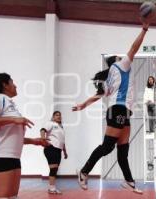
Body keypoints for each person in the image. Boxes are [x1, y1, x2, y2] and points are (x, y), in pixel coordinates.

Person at [72, 19, 150, 194]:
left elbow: (99, 95)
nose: (123, 56)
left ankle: (129, 181)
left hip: (123, 110)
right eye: (119, 55)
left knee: (123, 151)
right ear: (116, 60)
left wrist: (83, 105)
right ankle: (84, 172)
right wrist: (144, 30)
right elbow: (134, 48)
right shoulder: (121, 64)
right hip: (119, 109)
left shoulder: (109, 78)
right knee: (107, 147)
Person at [0, 73, 49, 199]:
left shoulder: (10, 104)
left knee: (12, 197)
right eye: (12, 82)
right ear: (4, 85)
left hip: (13, 158)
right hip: (0, 157)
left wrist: (34, 141)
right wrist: (14, 120)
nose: (15, 86)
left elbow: (11, 137)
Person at [40, 111, 68, 194]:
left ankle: (52, 188)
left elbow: (62, 141)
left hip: (58, 150)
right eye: (56, 115)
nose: (59, 116)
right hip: (51, 148)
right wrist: (43, 139)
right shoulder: (50, 123)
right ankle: (52, 188)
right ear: (53, 117)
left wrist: (65, 152)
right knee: (53, 169)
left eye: (60, 115)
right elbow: (42, 130)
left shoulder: (61, 127)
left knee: (55, 169)